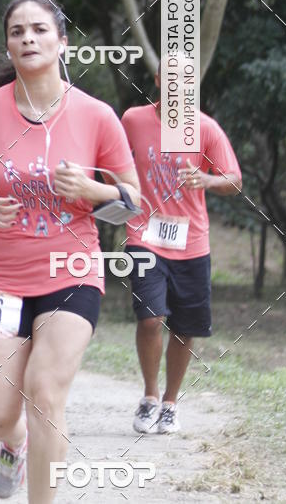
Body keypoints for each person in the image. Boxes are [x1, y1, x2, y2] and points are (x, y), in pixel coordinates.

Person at [0, 0, 141, 503]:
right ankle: (14, 444)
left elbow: (133, 199)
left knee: (45, 391)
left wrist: (93, 190)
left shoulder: (96, 115)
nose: (28, 38)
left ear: (62, 42)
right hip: (0, 277)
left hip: (72, 270)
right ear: (8, 46)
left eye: (39, 29)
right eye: (17, 32)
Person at [122, 56, 242, 434]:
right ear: (159, 80)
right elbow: (111, 162)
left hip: (191, 242)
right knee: (150, 318)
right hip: (144, 235)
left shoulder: (206, 128)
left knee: (184, 327)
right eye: (172, 77)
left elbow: (234, 180)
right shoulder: (133, 120)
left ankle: (170, 403)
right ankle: (149, 395)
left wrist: (207, 181)